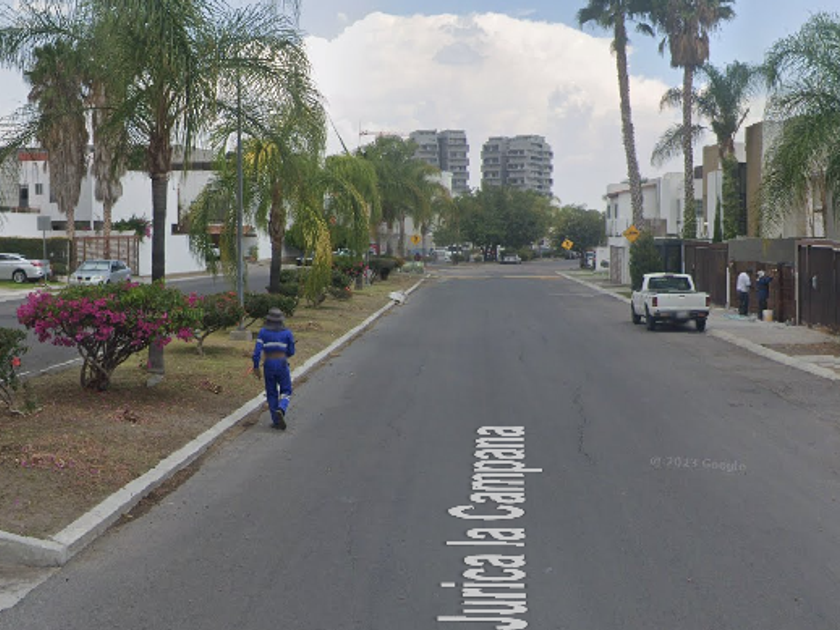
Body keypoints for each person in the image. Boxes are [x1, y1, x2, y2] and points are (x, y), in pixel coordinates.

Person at [251, 308, 295, 430]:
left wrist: (256, 367)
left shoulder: (263, 332)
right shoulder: (287, 333)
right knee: (286, 390)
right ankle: (282, 407)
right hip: (282, 363)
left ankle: (276, 421)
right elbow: (291, 351)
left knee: (271, 392)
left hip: (268, 364)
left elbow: (256, 353)